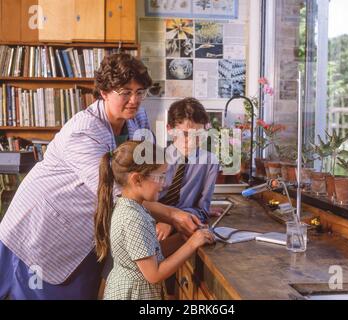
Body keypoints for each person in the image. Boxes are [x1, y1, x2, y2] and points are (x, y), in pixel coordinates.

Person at [0, 53, 199, 300]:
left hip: (86, 238)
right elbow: (121, 194)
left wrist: (172, 213)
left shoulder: (137, 118)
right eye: (125, 92)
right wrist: (172, 214)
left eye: (140, 92)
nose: (134, 100)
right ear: (104, 92)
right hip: (40, 232)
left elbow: (148, 172)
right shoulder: (83, 132)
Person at [96, 141, 215, 300]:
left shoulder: (134, 208)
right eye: (160, 176)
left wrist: (183, 238)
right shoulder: (133, 218)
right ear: (137, 179)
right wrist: (192, 244)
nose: (165, 183)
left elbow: (151, 252)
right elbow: (154, 274)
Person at [156, 97, 220, 241]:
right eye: (185, 134)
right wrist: (166, 218)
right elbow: (143, 203)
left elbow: (202, 210)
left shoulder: (210, 162)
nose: (191, 141)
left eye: (198, 135)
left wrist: (172, 221)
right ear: (170, 130)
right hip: (152, 227)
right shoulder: (155, 159)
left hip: (183, 229)